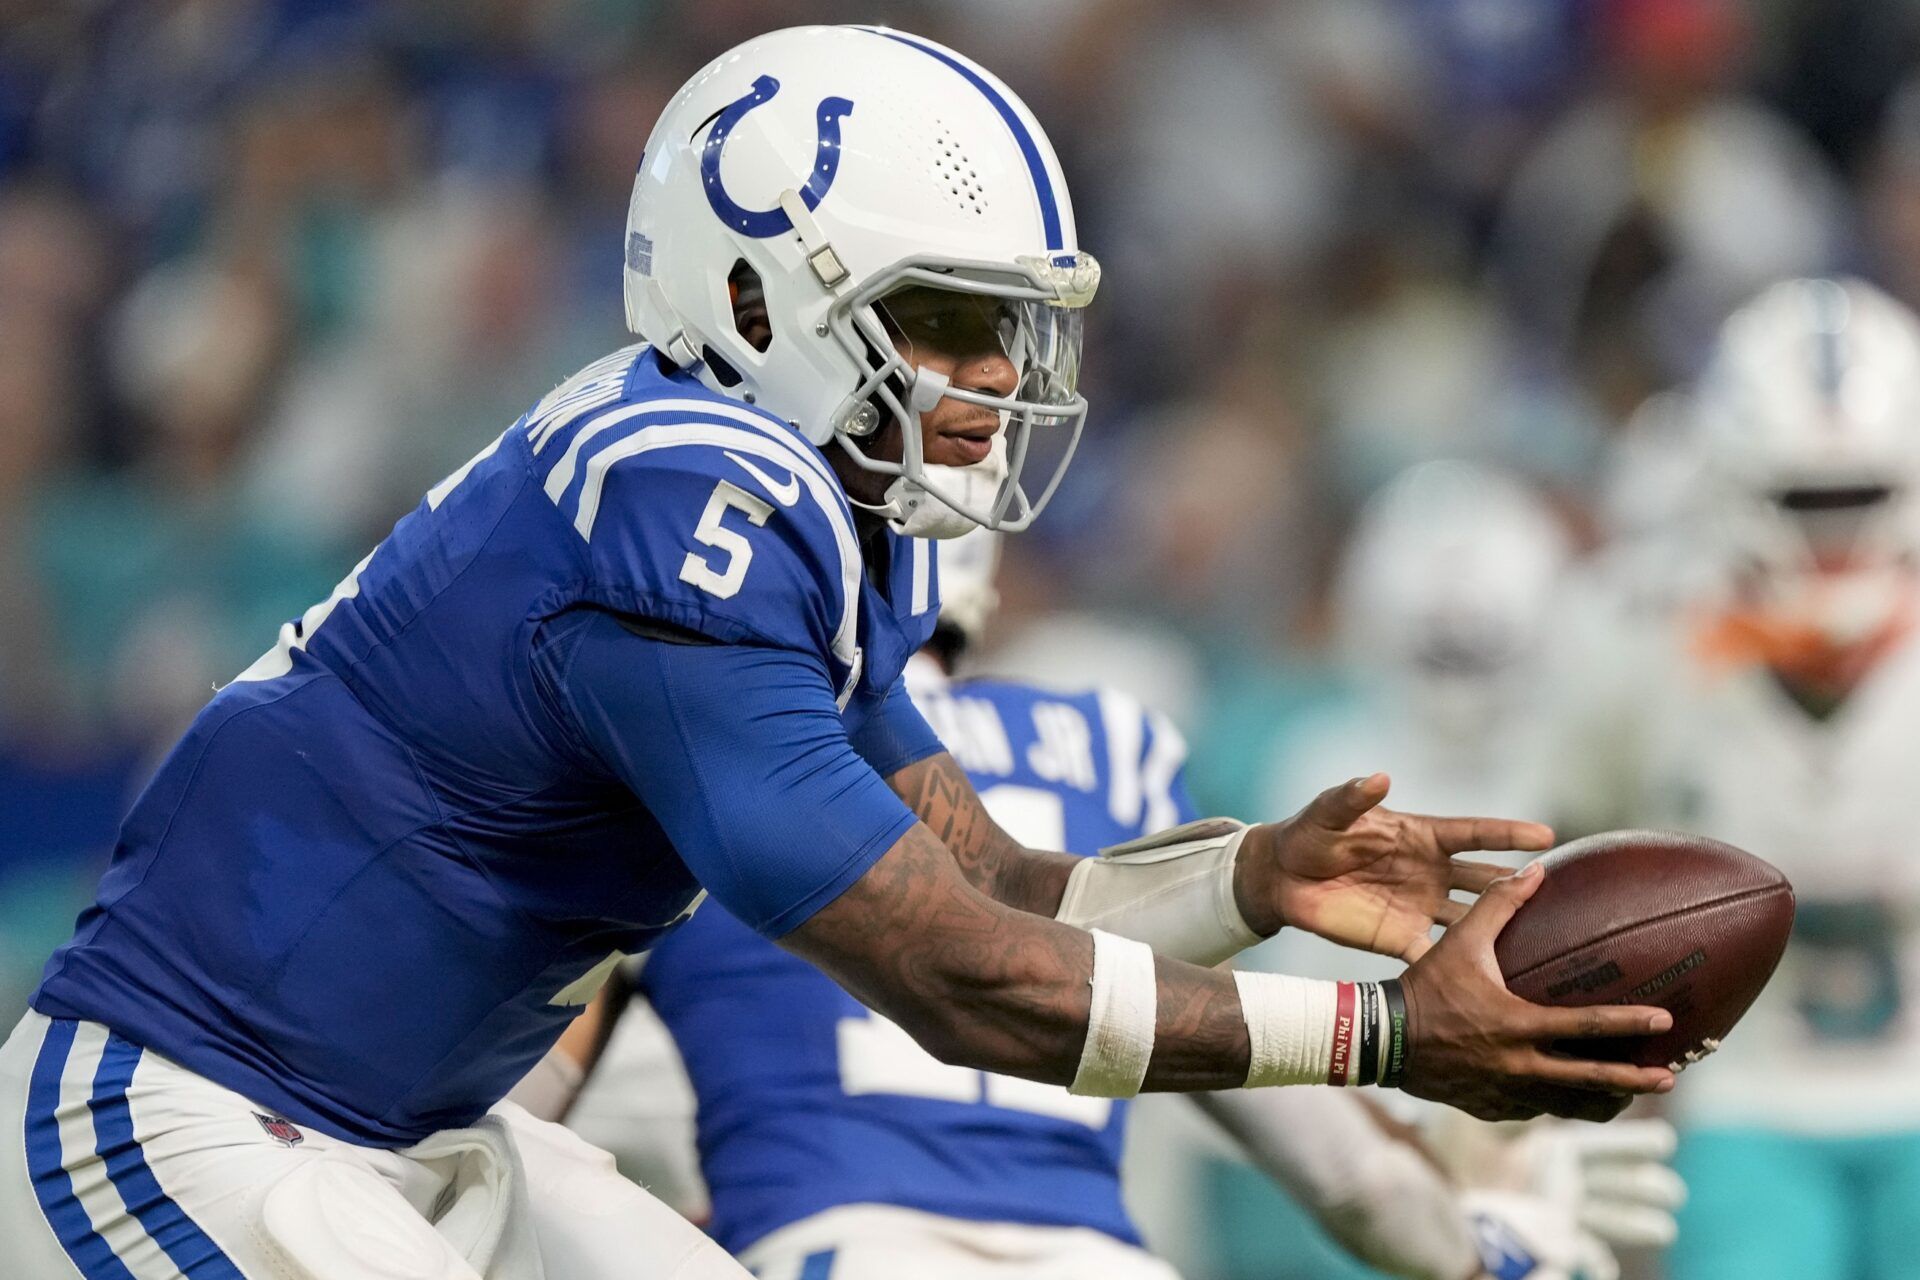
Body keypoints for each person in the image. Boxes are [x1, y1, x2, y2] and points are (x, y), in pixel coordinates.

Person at [0, 25, 1674, 1280]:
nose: (993, 381)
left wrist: (1252, 877)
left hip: (414, 1134)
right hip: (189, 1113)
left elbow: (992, 892)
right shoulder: (679, 512)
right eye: (946, 322)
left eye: (1007, 332)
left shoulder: (803, 506)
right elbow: (956, 983)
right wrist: (1384, 1037)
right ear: (755, 301)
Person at [531, 529, 1683, 1280]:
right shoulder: (1110, 748)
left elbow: (502, 1118)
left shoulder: (694, 755)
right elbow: (1343, 1162)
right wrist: (1494, 1245)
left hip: (829, 1245)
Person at [1546, 277, 1920, 1280]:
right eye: (1806, 499)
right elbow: (1559, 873)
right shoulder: (1638, 648)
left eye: (1860, 497)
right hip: (1741, 1111)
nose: (1834, 542)